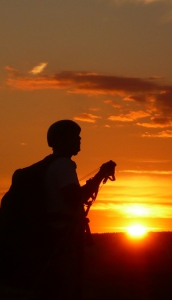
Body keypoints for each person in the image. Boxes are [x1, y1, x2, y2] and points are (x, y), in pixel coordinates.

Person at [34, 120, 116, 300]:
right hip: (62, 237)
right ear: (62, 139)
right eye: (75, 136)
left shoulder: (53, 165)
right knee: (66, 288)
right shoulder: (63, 165)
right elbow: (75, 199)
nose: (79, 140)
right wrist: (101, 175)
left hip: (56, 235)